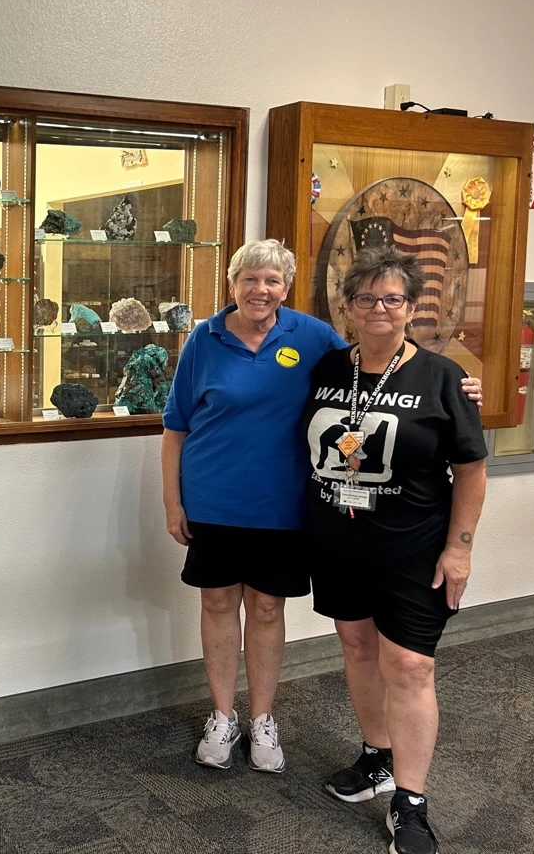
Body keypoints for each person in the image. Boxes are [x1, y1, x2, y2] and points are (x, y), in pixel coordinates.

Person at [162, 240, 480, 776]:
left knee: (266, 610)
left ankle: (263, 719)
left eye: (273, 281)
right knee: (218, 606)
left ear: (285, 288)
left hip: (286, 505)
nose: (261, 290)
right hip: (214, 500)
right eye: (250, 279)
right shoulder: (204, 337)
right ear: (231, 282)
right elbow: (176, 427)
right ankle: (222, 715)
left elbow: (383, 360)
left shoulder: (311, 336)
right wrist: (173, 501)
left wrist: (455, 385)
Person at [302, 248, 486, 854]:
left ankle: (410, 799)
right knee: (357, 647)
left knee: (409, 665)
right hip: (338, 542)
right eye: (366, 298)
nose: (379, 308)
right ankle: (377, 756)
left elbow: (472, 471)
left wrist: (459, 550)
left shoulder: (442, 377)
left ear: (411, 308)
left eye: (393, 298)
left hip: (412, 549)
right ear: (348, 308)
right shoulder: (328, 367)